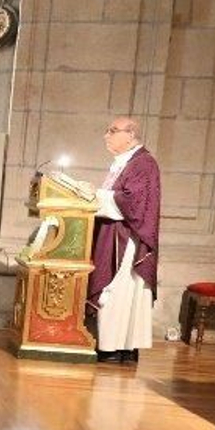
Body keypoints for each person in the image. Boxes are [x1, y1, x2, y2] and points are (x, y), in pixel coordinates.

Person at [88, 117, 161, 363]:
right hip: (117, 233)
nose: (106, 135)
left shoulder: (143, 163)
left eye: (112, 131)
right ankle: (119, 346)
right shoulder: (124, 162)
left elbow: (132, 202)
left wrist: (95, 195)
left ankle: (117, 347)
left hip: (127, 240)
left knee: (118, 290)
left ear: (130, 135)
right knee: (120, 293)